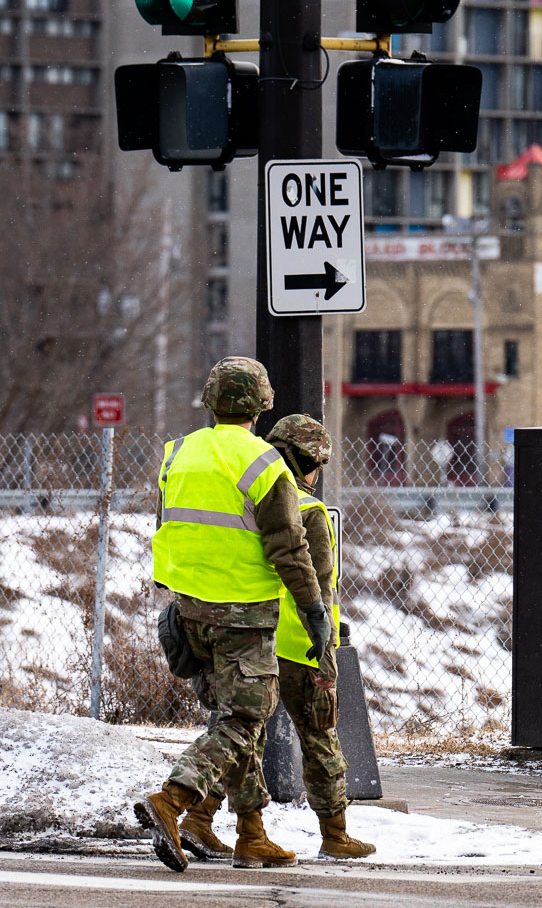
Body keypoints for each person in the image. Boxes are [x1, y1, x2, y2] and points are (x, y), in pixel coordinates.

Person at [134, 357, 332, 873]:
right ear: (262, 406)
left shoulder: (178, 452)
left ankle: (252, 834)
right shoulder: (264, 462)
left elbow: (168, 524)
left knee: (237, 719)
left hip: (188, 605)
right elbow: (289, 548)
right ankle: (173, 801)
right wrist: (314, 612)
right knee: (245, 719)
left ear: (211, 400)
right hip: (241, 614)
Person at [177, 414, 375, 861]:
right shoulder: (309, 512)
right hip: (301, 646)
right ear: (308, 463)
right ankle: (335, 835)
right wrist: (325, 649)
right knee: (320, 739)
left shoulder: (250, 498)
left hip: (252, 639)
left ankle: (204, 819)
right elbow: (318, 589)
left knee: (244, 737)